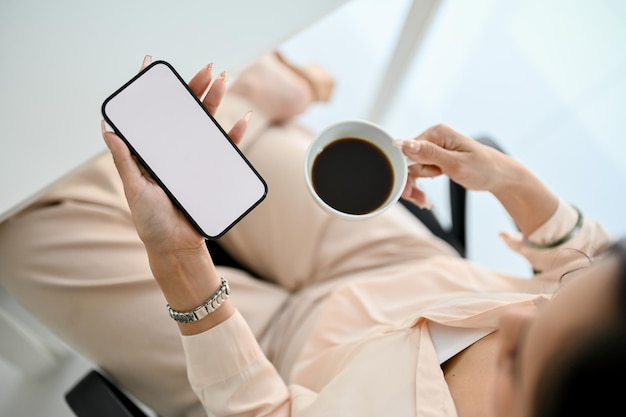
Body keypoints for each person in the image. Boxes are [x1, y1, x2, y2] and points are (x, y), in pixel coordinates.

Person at [0, 52, 618, 417]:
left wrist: (184, 267)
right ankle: (278, 96)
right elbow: (583, 261)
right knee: (206, 119)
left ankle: (271, 97)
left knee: (26, 218)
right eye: (546, 310)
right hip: (397, 265)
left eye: (518, 358)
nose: (513, 320)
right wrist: (513, 182)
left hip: (278, 363)